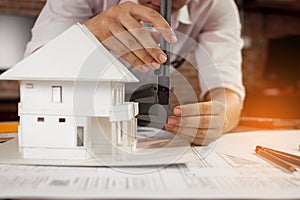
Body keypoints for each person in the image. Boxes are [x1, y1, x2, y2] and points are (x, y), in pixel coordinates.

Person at [25, 0, 245, 145]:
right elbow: (31, 73)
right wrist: (91, 32)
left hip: (150, 127)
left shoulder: (216, 6)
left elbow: (226, 84)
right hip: (80, 120)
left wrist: (222, 115)